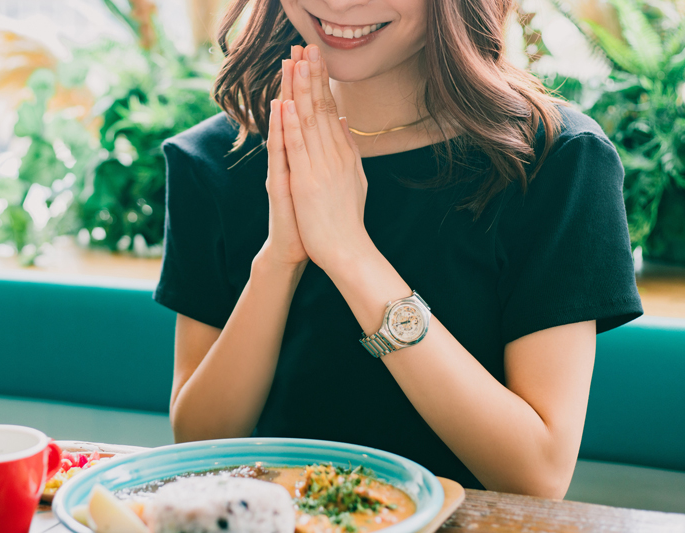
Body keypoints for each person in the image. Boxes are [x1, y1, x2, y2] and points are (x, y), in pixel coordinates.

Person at [152, 0, 643, 498]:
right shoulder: (210, 160)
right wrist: (280, 260)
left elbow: (537, 476)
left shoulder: (554, 162)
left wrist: (351, 254)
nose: (339, 4)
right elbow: (200, 445)